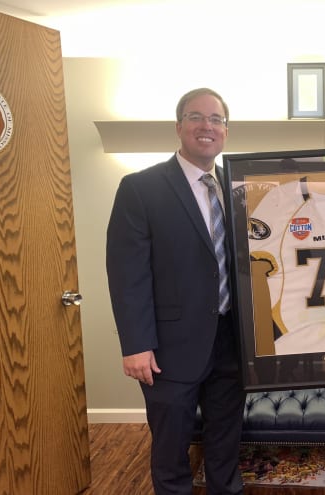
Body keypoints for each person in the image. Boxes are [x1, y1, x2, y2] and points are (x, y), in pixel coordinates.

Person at [106, 88, 245, 495]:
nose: (207, 126)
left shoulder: (236, 188)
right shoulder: (140, 188)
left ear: (226, 131)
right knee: (170, 454)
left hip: (231, 343)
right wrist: (135, 345)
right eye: (196, 117)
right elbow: (126, 274)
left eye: (216, 119)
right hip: (168, 350)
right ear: (179, 126)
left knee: (224, 447)